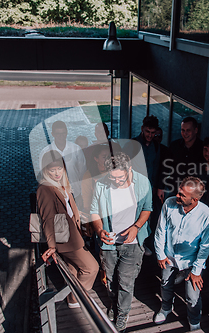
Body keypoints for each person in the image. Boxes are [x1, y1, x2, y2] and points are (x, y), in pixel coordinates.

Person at [90, 152, 152, 332]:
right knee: (109, 279)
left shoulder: (142, 183)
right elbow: (94, 211)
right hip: (109, 243)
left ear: (129, 169)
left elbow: (147, 208)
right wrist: (99, 229)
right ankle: (114, 303)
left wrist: (136, 227)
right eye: (112, 177)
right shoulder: (101, 184)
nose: (116, 181)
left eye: (120, 177)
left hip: (132, 245)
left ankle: (122, 313)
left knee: (126, 281)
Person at [37, 150, 99, 308]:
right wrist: (51, 245)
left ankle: (72, 300)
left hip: (73, 233)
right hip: (65, 238)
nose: (57, 173)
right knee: (91, 268)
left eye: (59, 168)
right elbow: (47, 219)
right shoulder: (45, 189)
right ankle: (75, 296)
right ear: (45, 170)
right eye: (52, 170)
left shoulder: (62, 183)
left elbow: (69, 209)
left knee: (72, 270)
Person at [154, 176, 209, 331]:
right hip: (169, 256)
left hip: (191, 261)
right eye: (179, 192)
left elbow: (205, 245)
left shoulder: (206, 214)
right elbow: (161, 230)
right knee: (165, 285)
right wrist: (160, 254)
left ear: (194, 200)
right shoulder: (169, 203)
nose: (177, 196)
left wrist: (196, 270)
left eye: (182, 195)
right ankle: (166, 308)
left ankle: (194, 321)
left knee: (192, 296)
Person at [124, 115, 165, 255]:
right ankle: (132, 241)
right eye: (148, 131)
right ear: (142, 129)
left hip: (150, 188)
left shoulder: (156, 145)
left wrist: (158, 186)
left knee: (148, 215)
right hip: (133, 187)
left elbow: (158, 166)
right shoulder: (132, 144)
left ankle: (143, 243)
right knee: (132, 213)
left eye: (153, 132)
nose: (150, 135)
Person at [39, 121, 87, 205]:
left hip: (75, 193)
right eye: (58, 134)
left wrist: (82, 193)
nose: (61, 136)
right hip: (55, 195)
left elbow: (82, 172)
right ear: (53, 134)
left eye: (63, 133)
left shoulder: (76, 149)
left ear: (67, 132)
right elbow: (43, 175)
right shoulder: (45, 152)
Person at [159, 117, 205, 201]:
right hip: (173, 190)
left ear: (196, 130)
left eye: (188, 130)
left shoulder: (203, 148)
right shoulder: (174, 146)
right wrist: (160, 187)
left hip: (192, 194)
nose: (185, 133)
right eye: (183, 130)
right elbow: (165, 167)